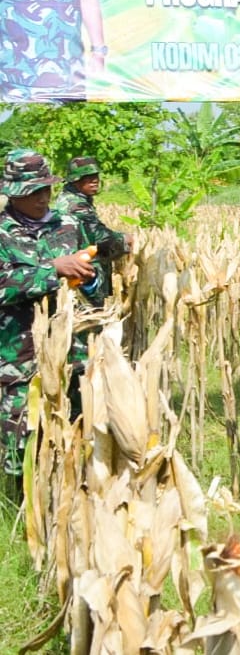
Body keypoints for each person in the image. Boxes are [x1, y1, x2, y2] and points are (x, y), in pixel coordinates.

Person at [0, 149, 94, 479]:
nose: (42, 198)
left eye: (46, 189)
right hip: (19, 350)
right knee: (21, 435)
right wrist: (51, 270)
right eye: (32, 191)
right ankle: (20, 507)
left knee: (78, 421)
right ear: (13, 192)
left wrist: (86, 276)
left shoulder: (66, 224)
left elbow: (85, 268)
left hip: (71, 344)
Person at [52, 156, 131, 306]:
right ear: (75, 179)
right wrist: (124, 240)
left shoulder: (78, 198)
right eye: (88, 177)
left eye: (95, 176)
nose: (94, 180)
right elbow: (98, 236)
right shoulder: (74, 204)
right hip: (81, 276)